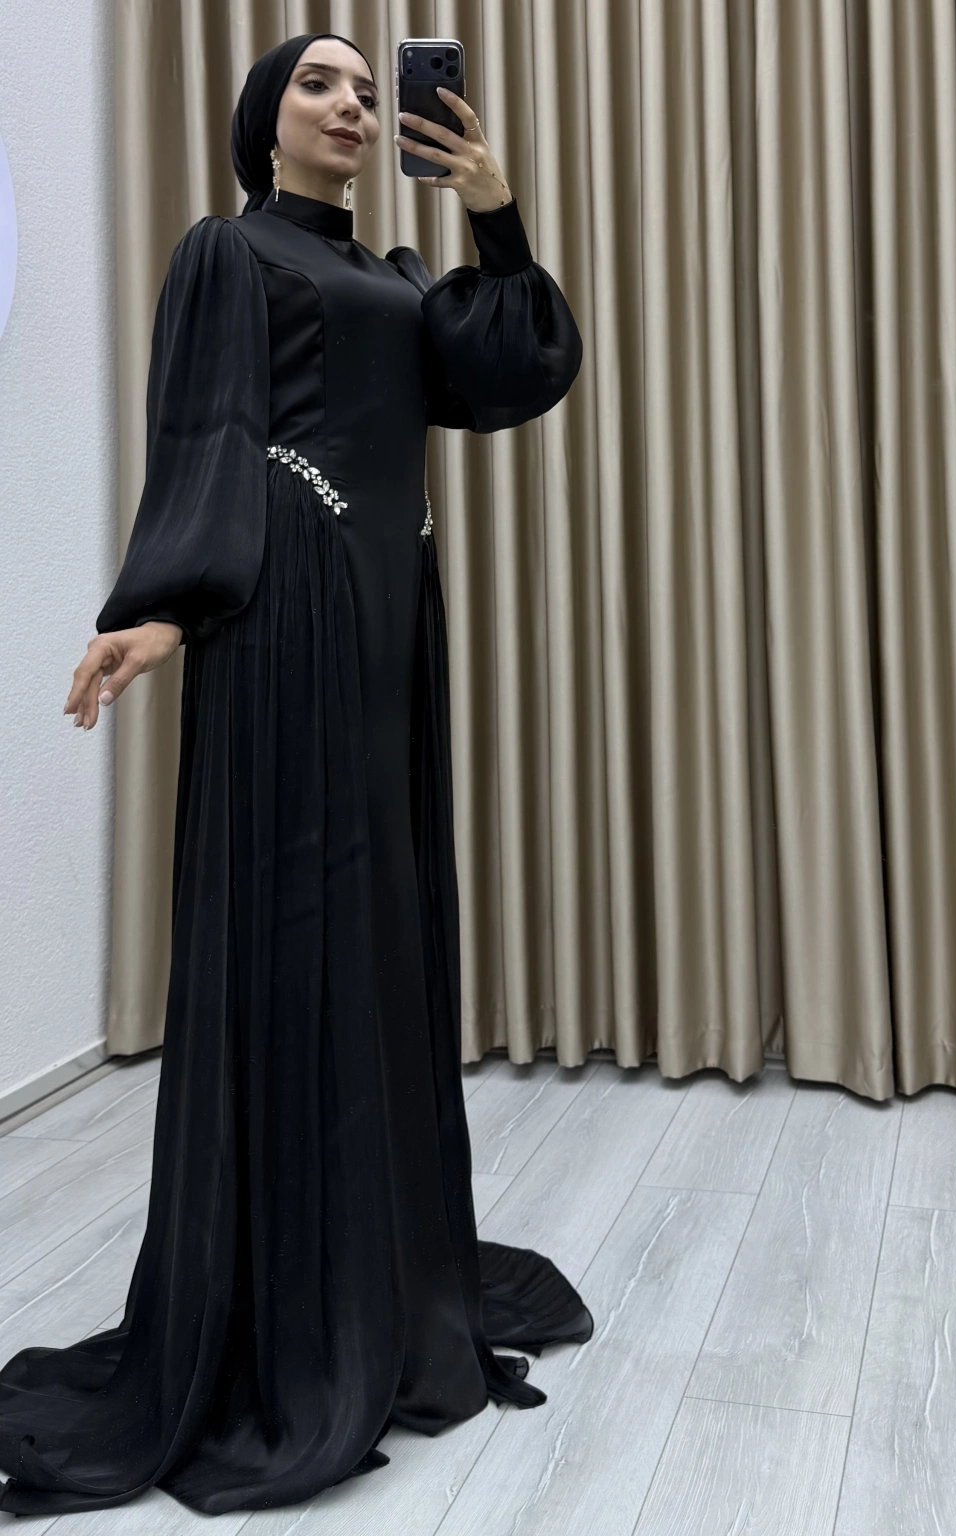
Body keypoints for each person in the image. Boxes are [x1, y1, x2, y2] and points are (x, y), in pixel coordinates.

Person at [0, 32, 591, 1517]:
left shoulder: (397, 276)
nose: (351, 104)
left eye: (365, 89)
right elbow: (206, 432)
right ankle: (287, 1295)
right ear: (265, 119)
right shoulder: (230, 253)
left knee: (379, 931)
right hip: (288, 620)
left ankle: (379, 1263)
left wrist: (497, 214)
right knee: (303, 930)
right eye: (318, 83)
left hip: (389, 624)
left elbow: (513, 372)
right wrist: (163, 606)